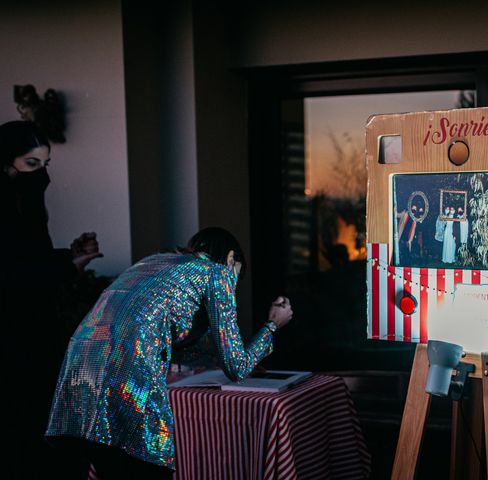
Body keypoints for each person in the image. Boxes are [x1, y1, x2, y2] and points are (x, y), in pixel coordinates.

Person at [45, 226, 293, 479]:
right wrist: (272, 326)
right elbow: (236, 367)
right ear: (231, 259)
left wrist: (235, 355)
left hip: (76, 384)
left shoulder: (153, 262)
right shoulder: (217, 273)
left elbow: (166, 340)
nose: (232, 287)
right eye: (236, 277)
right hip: (128, 387)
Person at [0, 120, 102, 478]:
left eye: (45, 165)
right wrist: (61, 265)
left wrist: (69, 259)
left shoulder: (25, 205)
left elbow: (29, 261)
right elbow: (12, 274)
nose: (41, 175)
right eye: (30, 164)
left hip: (37, 334)